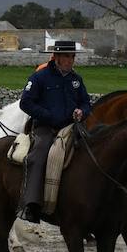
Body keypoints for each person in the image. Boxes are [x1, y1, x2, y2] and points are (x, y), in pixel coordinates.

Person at [17, 40, 91, 224]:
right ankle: (31, 204)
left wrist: (82, 111)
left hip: (72, 128)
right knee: (39, 156)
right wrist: (49, 116)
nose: (70, 60)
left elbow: (86, 103)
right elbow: (25, 102)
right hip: (46, 128)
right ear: (56, 57)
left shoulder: (76, 79)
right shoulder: (40, 77)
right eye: (67, 56)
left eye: (72, 56)